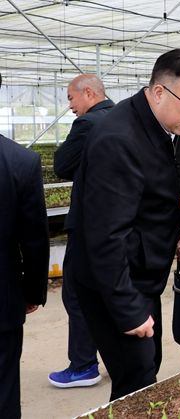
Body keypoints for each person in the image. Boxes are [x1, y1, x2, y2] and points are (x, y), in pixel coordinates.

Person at [66, 48, 180, 401]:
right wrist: (129, 310)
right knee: (136, 380)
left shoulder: (155, 126)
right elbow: (106, 236)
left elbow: (147, 200)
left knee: (146, 368)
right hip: (114, 283)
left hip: (138, 275)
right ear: (159, 91)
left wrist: (179, 229)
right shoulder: (119, 139)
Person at [49, 73, 113, 389]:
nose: (71, 106)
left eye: (71, 99)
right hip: (119, 223)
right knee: (112, 290)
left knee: (77, 293)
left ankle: (83, 365)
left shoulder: (88, 124)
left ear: (88, 93)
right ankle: (117, 357)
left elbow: (62, 165)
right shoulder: (124, 117)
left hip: (89, 223)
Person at [0, 92, 50, 416]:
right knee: (3, 388)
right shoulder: (19, 161)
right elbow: (34, 239)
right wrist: (32, 292)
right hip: (3, 300)